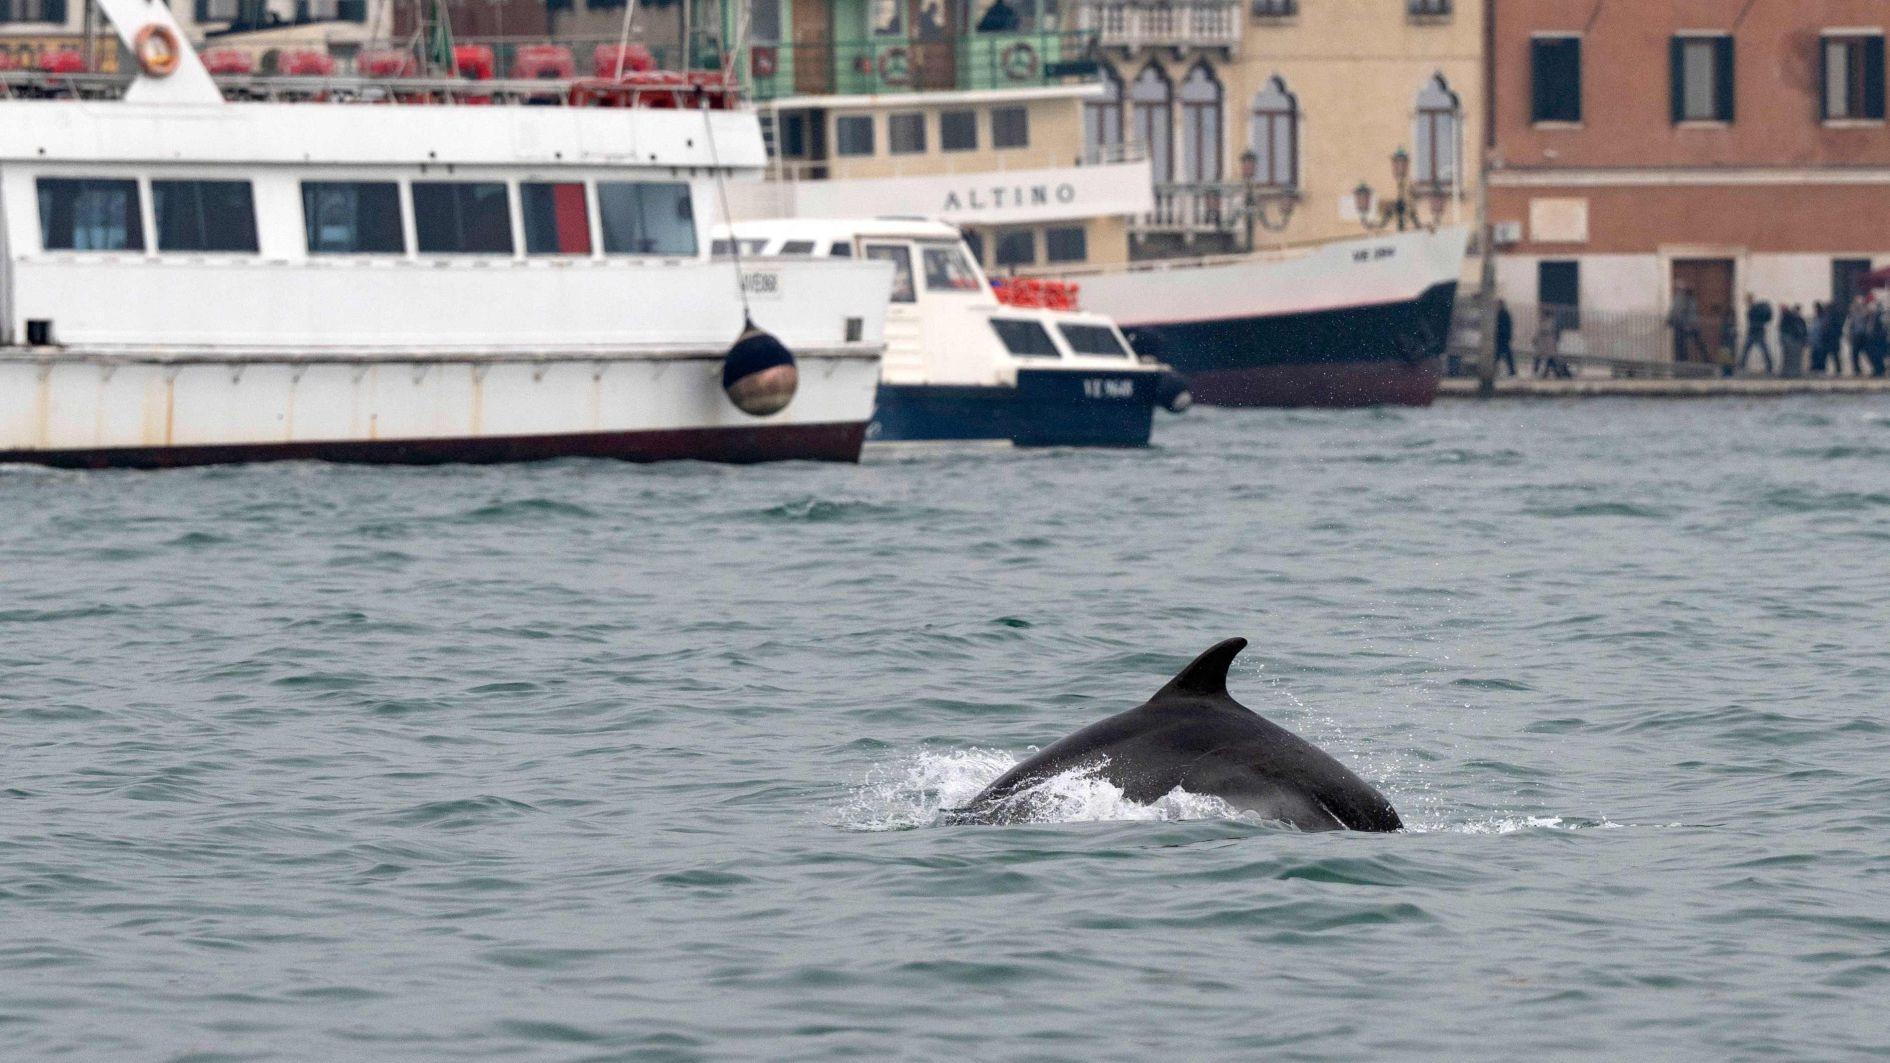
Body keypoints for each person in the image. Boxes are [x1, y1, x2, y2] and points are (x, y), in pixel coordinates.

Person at [1668, 283, 1706, 363]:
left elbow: (1677, 311)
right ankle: (1705, 359)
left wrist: (1671, 320)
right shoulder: (1688, 299)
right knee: (1686, 344)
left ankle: (1684, 360)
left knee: (1683, 344)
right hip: (1687, 325)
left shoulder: (1683, 299)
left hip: (1685, 325)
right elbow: (1678, 311)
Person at [1738, 293, 1774, 375]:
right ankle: (1769, 366)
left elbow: (1752, 320)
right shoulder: (1755, 308)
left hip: (1754, 331)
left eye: (1747, 300)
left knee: (1747, 349)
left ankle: (1741, 366)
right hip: (1758, 331)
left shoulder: (1754, 308)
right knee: (1762, 349)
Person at [1778, 304, 1807, 379]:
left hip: (1792, 340)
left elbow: (1784, 328)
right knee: (1795, 357)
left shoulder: (1788, 317)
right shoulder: (1797, 319)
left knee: (1789, 357)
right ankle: (1794, 372)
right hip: (1795, 340)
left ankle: (1788, 372)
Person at [1847, 295, 1873, 376]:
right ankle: (1857, 369)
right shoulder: (1852, 313)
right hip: (1856, 335)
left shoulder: (1865, 312)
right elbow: (1850, 325)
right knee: (1854, 354)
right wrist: (1850, 335)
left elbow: (1869, 323)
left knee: (1868, 352)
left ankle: (1875, 367)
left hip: (1863, 335)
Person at [1494, 299, 1516, 376]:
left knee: (1501, 354)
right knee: (1505, 355)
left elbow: (1504, 326)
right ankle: (1512, 371)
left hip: (1502, 337)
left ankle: (1512, 371)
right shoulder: (1504, 313)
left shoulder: (1502, 314)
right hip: (1503, 337)